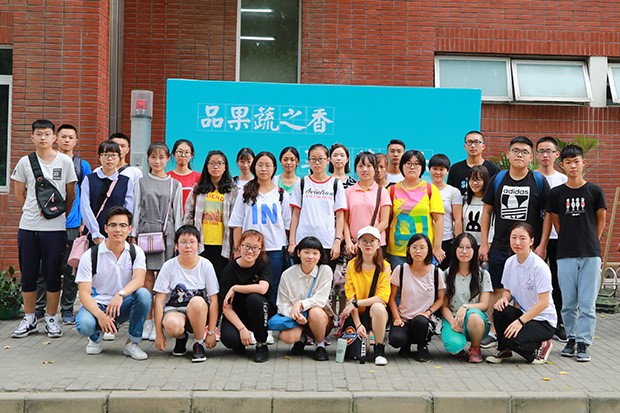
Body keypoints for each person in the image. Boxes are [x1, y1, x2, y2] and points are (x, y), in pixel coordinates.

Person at [479, 136, 551, 348]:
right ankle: (494, 331)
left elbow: (548, 215)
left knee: (528, 290)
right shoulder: (498, 179)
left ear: (531, 157)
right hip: (501, 245)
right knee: (497, 289)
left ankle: (527, 329)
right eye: (516, 150)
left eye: (525, 152)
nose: (520, 155)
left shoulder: (538, 181)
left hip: (528, 248)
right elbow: (487, 212)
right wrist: (484, 243)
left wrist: (542, 245)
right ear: (508, 154)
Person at [11, 119, 77, 339]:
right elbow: (19, 192)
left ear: (54, 137)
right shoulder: (25, 162)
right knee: (28, 274)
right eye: (38, 134)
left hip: (55, 229)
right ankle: (30, 318)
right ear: (32, 137)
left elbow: (70, 194)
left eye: (47, 134)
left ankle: (51, 318)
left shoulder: (65, 162)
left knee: (52, 274)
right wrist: (31, 211)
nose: (43, 138)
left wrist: (57, 215)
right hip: (28, 227)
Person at [547, 144, 607, 362]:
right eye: (568, 162)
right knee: (569, 302)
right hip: (565, 253)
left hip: (590, 253)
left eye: (576, 161)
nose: (573, 166)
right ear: (562, 165)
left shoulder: (595, 191)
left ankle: (583, 342)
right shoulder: (556, 194)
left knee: (587, 303)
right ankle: (571, 338)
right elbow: (556, 223)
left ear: (583, 163)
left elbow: (600, 220)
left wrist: (590, 240)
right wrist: (569, 240)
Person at [74, 206, 151, 360]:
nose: (118, 230)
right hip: (98, 305)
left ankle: (132, 343)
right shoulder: (90, 255)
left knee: (144, 294)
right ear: (105, 228)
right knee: (84, 325)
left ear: (129, 229)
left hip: (122, 303)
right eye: (113, 225)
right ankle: (95, 337)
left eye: (123, 225)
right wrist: (101, 316)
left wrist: (120, 295)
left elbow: (139, 280)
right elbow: (83, 294)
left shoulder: (136, 252)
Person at [35, 123, 91, 324]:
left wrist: (84, 221)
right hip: (47, 224)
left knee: (70, 269)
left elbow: (87, 196)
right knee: (44, 267)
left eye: (71, 137)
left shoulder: (82, 166)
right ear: (56, 139)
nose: (67, 140)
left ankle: (67, 310)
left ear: (76, 141)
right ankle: (39, 309)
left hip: (72, 224)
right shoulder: (46, 162)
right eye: (63, 136)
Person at [131, 142, 183, 341]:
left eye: (161, 157)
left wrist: (178, 239)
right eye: (153, 157)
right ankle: (147, 321)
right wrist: (133, 235)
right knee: (146, 280)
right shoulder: (141, 182)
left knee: (162, 281)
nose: (157, 161)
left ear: (168, 159)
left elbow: (178, 214)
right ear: (148, 158)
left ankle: (159, 322)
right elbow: (136, 209)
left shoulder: (174, 184)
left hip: (166, 234)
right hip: (145, 232)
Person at [486, 222, 556, 365]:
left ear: (531, 241)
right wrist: (504, 299)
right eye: (514, 237)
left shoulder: (539, 267)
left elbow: (544, 302)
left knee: (511, 340)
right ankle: (504, 351)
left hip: (543, 320)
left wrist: (520, 322)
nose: (517, 242)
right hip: (524, 314)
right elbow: (507, 290)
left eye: (522, 238)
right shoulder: (510, 263)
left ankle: (542, 345)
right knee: (500, 310)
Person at [229, 151, 291, 305]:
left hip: (274, 248)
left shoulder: (281, 194)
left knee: (273, 286)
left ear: (274, 168)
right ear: (254, 167)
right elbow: (237, 222)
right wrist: (238, 249)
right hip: (250, 249)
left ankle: (271, 316)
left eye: (268, 165)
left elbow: (288, 224)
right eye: (260, 165)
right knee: (250, 285)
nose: (264, 169)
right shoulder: (245, 192)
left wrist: (290, 245)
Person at [153, 225, 219, 363]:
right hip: (176, 310)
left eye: (192, 242)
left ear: (198, 244)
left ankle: (198, 344)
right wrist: (159, 334)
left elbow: (214, 300)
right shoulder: (169, 266)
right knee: (172, 325)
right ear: (176, 245)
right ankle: (181, 338)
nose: (188, 246)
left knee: (197, 301)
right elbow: (159, 300)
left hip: (200, 312)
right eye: (183, 242)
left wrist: (211, 331)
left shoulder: (206, 265)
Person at [220, 230, 276, 362]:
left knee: (254, 299)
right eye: (246, 246)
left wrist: (235, 288)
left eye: (255, 248)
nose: (250, 251)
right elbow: (226, 306)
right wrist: (242, 329)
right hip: (237, 313)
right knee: (230, 339)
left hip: (259, 310)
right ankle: (241, 341)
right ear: (239, 246)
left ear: (261, 249)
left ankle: (261, 344)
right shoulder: (229, 270)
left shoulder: (264, 263)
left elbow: (262, 289)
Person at [289, 143, 347, 270]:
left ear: (328, 160)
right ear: (308, 161)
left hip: (327, 242)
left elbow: (340, 216)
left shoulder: (335, 184)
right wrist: (292, 242)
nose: (317, 163)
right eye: (313, 159)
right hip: (303, 241)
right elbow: (295, 214)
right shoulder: (301, 183)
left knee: (325, 278)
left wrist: (337, 241)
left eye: (321, 159)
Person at [388, 233, 445, 362]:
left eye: (422, 247)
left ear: (428, 250)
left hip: (424, 320)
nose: (418, 251)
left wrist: (427, 313)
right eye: (414, 247)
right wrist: (396, 318)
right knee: (396, 340)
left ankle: (422, 347)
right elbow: (391, 298)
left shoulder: (436, 272)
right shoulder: (400, 270)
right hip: (404, 318)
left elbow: (441, 299)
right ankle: (405, 344)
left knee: (420, 321)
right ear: (408, 250)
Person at [276, 236, 334, 361]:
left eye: (315, 253)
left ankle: (320, 344)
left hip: (320, 319)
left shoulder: (325, 271)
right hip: (297, 318)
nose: (310, 257)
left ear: (320, 255)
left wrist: (300, 304)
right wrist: (295, 314)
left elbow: (321, 299)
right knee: (287, 337)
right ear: (298, 253)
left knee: (315, 312)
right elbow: (282, 302)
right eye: (306, 252)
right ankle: (301, 339)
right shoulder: (287, 274)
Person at [184, 150, 239, 280]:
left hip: (223, 243)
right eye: (212, 163)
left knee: (220, 278)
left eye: (220, 163)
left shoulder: (232, 191)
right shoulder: (198, 189)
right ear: (207, 166)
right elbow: (188, 214)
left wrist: (235, 246)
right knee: (200, 278)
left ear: (225, 167)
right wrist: (187, 237)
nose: (216, 167)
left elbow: (236, 219)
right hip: (201, 242)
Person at [386, 150, 445, 269]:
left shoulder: (430, 189)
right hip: (398, 252)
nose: (412, 167)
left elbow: (439, 220)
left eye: (416, 164)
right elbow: (386, 221)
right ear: (402, 166)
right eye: (408, 163)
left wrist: (437, 247)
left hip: (423, 251)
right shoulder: (391, 190)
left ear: (422, 167)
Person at [341, 226, 391, 366]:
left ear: (379, 244)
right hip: (358, 314)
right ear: (358, 243)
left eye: (372, 241)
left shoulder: (385, 266)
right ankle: (366, 337)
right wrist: (358, 325)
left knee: (378, 307)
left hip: (376, 313)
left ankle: (379, 349)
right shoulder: (351, 265)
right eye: (364, 241)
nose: (368, 244)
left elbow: (382, 297)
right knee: (358, 352)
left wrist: (356, 303)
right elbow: (351, 297)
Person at [535, 136, 568, 342]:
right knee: (534, 281)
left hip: (558, 238)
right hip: (533, 238)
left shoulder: (564, 179)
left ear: (557, 154)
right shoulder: (532, 177)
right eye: (541, 151)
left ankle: (559, 323)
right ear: (536, 155)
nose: (545, 155)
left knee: (557, 281)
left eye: (549, 151)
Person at [440, 233, 492, 363]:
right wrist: (452, 322)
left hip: (476, 319)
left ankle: (475, 348)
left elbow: (485, 304)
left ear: (474, 250)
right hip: (453, 318)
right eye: (461, 247)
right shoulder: (446, 274)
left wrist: (465, 307)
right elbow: (444, 306)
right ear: (455, 249)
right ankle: (459, 344)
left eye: (468, 248)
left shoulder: (483, 274)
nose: (464, 251)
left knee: (474, 316)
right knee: (454, 346)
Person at [81, 140, 135, 245]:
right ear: (99, 157)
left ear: (119, 157)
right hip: (93, 234)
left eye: (113, 155)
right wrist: (95, 233)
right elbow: (85, 207)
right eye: (105, 155)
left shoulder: (126, 181)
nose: (109, 159)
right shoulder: (89, 179)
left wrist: (121, 230)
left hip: (117, 234)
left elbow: (128, 209)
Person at [344, 152, 391, 255]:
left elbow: (384, 222)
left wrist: (364, 239)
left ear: (374, 168)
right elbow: (345, 221)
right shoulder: (348, 192)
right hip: (353, 246)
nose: (365, 169)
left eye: (369, 166)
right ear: (356, 168)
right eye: (361, 166)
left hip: (376, 245)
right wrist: (348, 242)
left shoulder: (382, 192)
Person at [428, 154, 463, 270]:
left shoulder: (453, 192)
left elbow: (457, 219)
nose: (438, 172)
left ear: (447, 171)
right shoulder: (424, 189)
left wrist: (458, 243)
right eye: (434, 169)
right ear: (429, 170)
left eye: (442, 169)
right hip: (427, 239)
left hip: (446, 240)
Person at [447, 130, 500, 201]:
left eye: (476, 142)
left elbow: (496, 194)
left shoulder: (493, 169)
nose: (472, 146)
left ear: (483, 146)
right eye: (469, 142)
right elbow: (450, 193)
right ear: (465, 146)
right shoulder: (455, 168)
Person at [462, 165, 493, 246]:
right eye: (472, 179)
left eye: (478, 180)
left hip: (484, 245)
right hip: (467, 246)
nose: (474, 183)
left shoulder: (490, 201)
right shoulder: (465, 200)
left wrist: (487, 244)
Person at [168, 139, 201, 214]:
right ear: (173, 154)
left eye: (186, 152)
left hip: (190, 219)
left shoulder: (198, 177)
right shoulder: (167, 177)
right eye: (180, 152)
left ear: (191, 155)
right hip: (171, 218)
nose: (183, 155)